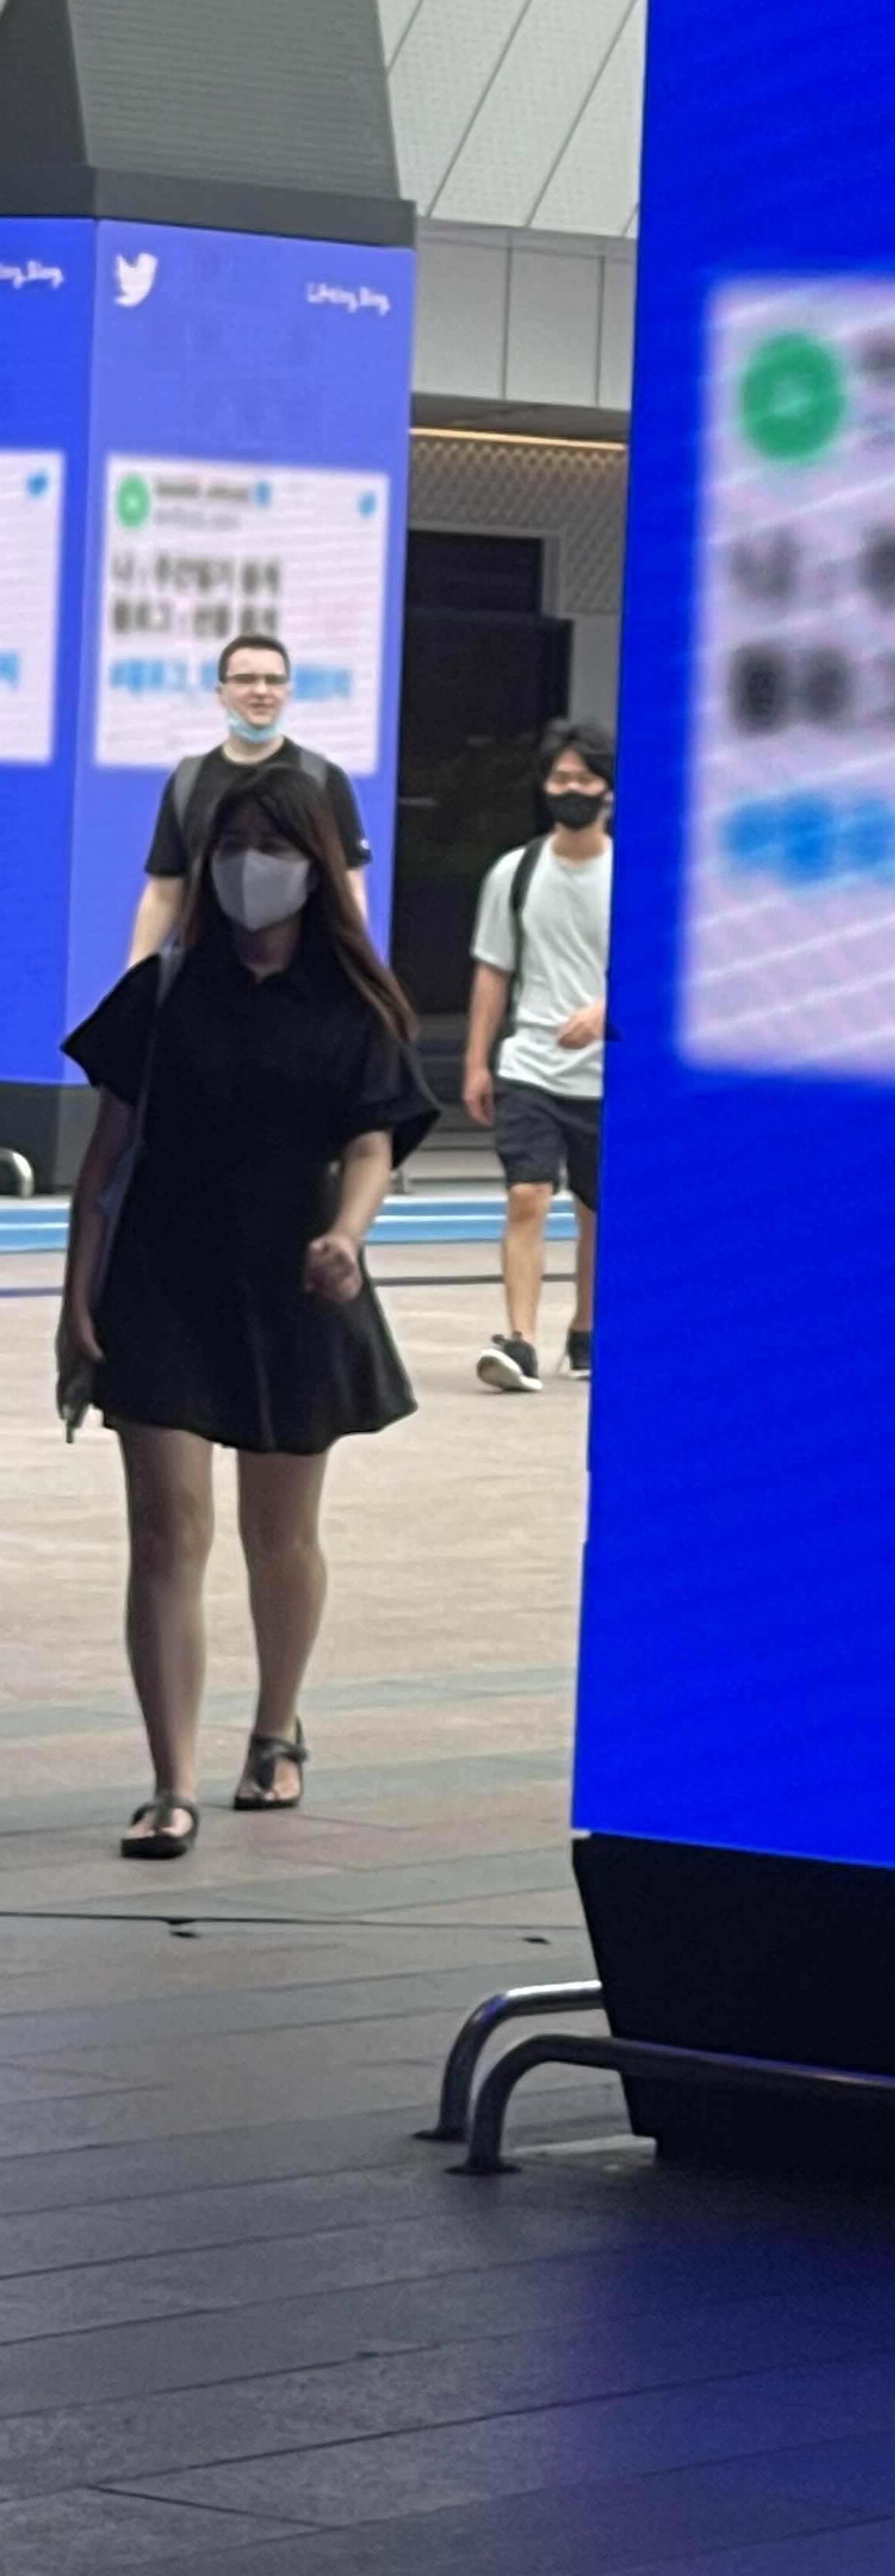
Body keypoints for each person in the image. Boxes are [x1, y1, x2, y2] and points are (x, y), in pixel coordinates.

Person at [57, 762, 436, 1858]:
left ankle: (276, 1727)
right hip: (162, 1279)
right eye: (228, 850)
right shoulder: (164, 993)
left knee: (280, 1533)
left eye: (270, 850)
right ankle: (170, 1781)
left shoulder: (355, 1006)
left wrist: (348, 1237)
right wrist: (75, 1302)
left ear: (315, 867)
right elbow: (104, 1162)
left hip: (294, 1282)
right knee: (166, 1528)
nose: (246, 871)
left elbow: (370, 1145)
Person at [463, 718, 613, 1393]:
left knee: (598, 1212)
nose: (571, 789)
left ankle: (586, 1331)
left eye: (584, 779)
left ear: (608, 789)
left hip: (608, 1073)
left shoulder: (632, 874)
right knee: (528, 1195)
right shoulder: (515, 872)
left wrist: (606, 1013)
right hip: (530, 1065)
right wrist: (477, 1062)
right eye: (560, 778)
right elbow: (493, 971)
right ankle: (520, 1341)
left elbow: (659, 969)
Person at [126, 632, 370, 967]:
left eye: (273, 680)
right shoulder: (189, 781)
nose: (261, 691)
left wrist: (352, 970)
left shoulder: (323, 780)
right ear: (221, 693)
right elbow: (164, 893)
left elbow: (349, 889)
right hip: (205, 973)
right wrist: (135, 977)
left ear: (288, 692)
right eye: (245, 679)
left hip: (300, 976)